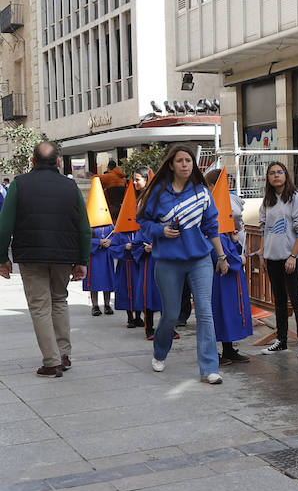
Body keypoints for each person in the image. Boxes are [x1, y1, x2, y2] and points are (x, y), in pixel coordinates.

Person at [136, 144, 230, 385]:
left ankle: (209, 368)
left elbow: (211, 227)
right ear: (171, 164)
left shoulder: (202, 193)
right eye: (180, 160)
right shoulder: (157, 193)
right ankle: (159, 351)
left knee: (205, 312)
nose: (185, 164)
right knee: (170, 314)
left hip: (200, 260)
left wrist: (221, 257)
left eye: (188, 160)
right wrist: (160, 230)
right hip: (168, 262)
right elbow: (142, 221)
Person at [0, 142, 91, 376]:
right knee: (59, 300)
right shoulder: (70, 187)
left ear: (32, 162)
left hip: (31, 256)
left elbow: (4, 225)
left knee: (40, 306)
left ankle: (52, 362)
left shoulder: (19, 184)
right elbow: (83, 227)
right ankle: (64, 354)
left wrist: (2, 257)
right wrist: (82, 259)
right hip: (64, 255)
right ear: (59, 162)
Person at [258, 161, 298, 357]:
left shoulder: (296, 198)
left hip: (291, 257)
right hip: (272, 258)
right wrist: (263, 254)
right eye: (271, 173)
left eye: (279, 172)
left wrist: (293, 255)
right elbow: (263, 227)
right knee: (279, 300)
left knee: (296, 299)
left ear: (285, 175)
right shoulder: (268, 200)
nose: (275, 176)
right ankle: (281, 340)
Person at [206, 170, 252, 364]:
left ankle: (228, 348)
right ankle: (212, 352)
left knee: (229, 310)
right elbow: (214, 245)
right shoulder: (207, 208)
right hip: (217, 274)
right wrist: (237, 260)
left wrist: (234, 242)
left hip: (229, 273)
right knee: (217, 310)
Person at [111, 170, 161, 332]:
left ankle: (165, 326)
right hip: (145, 254)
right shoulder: (139, 202)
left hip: (159, 251)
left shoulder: (154, 200)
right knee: (147, 290)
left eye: (137, 180)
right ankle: (148, 326)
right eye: (133, 180)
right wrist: (141, 247)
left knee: (163, 290)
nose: (134, 183)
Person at [83, 179, 117, 316]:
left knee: (107, 281)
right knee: (94, 282)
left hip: (106, 256)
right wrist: (98, 242)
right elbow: (85, 239)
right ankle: (95, 305)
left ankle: (107, 304)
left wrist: (110, 241)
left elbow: (116, 237)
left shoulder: (110, 226)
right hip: (94, 257)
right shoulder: (88, 226)